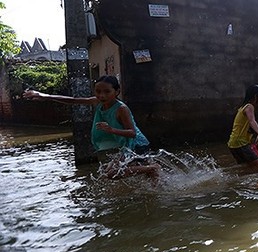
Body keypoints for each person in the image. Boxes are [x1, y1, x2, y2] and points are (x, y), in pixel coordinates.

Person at [22, 75, 158, 178]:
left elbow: (132, 133)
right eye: (98, 91)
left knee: (112, 173)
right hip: (126, 145)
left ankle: (152, 169)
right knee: (109, 172)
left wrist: (111, 130)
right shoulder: (98, 102)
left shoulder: (121, 109)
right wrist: (44, 96)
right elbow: (74, 101)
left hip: (137, 144)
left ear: (116, 92)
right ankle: (154, 194)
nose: (101, 95)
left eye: (106, 92)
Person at [227, 84, 258, 172]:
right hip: (240, 143)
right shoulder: (249, 106)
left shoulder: (242, 108)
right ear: (256, 96)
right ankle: (238, 180)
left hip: (233, 143)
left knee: (245, 166)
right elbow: (252, 120)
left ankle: (238, 181)